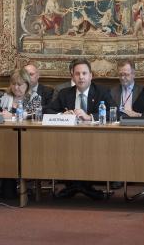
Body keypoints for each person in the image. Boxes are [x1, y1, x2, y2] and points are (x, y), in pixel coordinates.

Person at [45, 58, 115, 200]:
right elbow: (48, 110)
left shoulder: (101, 91)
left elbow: (115, 113)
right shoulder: (65, 93)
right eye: (77, 74)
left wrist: (90, 116)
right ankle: (76, 184)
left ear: (91, 75)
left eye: (84, 73)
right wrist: (62, 114)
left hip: (96, 140)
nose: (81, 77)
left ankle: (82, 185)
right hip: (69, 141)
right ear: (72, 76)